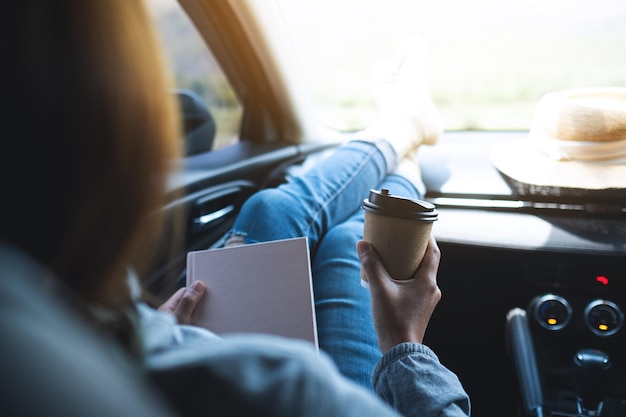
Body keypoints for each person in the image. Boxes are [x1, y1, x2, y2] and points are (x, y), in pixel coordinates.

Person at [0, 2, 469, 417]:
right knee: (351, 241)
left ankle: (402, 138)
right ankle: (403, 139)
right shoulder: (297, 393)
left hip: (155, 347)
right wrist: (405, 346)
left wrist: (150, 331)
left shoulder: (37, 315)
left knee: (271, 210)